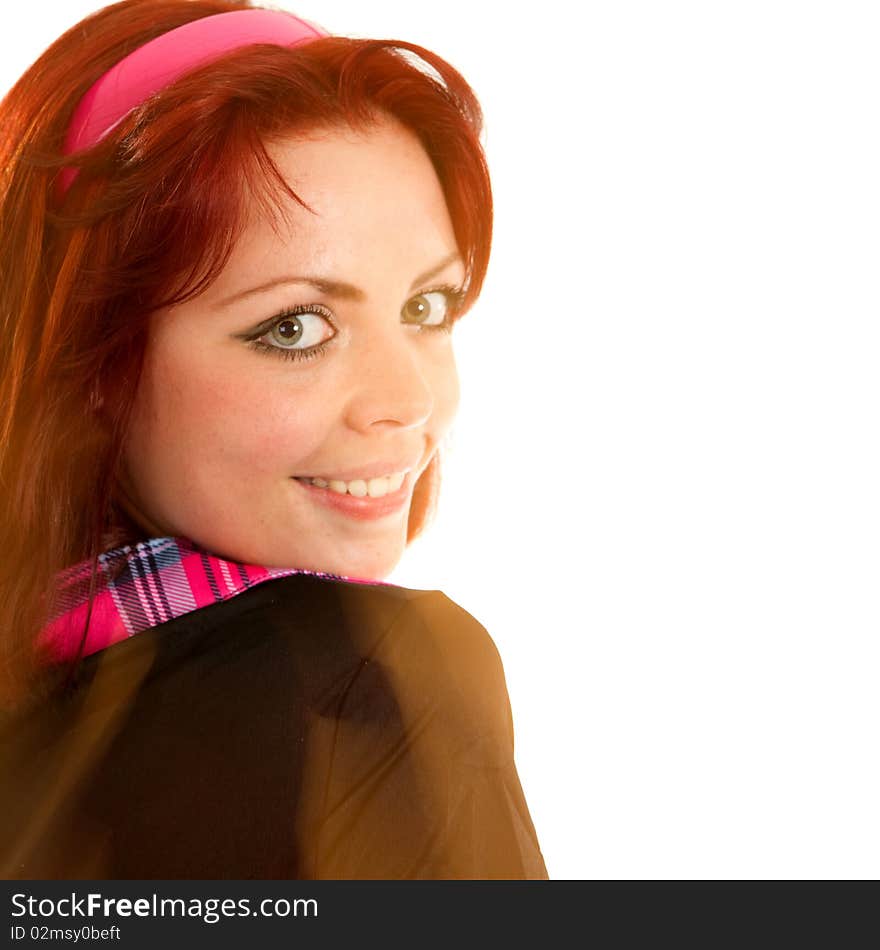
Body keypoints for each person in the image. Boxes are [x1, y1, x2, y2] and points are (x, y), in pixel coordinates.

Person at [0, 0, 548, 879]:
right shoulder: (366, 683)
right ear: (93, 365)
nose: (407, 403)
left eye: (426, 308)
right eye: (294, 328)